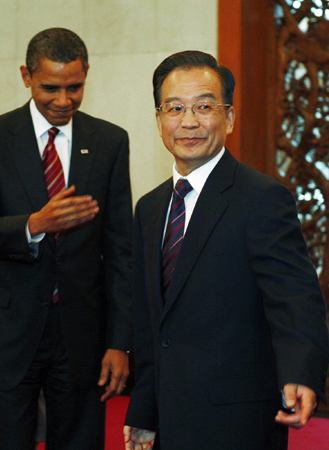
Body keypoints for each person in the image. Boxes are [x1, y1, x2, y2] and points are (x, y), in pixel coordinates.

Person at [123, 51, 329, 450]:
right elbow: (151, 325)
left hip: (238, 420)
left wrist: (301, 373)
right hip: (168, 416)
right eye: (174, 108)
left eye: (204, 106)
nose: (188, 122)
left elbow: (295, 299)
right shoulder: (149, 208)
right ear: (158, 119)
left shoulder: (263, 198)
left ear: (229, 117)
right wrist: (143, 412)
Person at [0, 27, 133, 450]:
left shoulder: (109, 141)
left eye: (75, 87)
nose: (63, 100)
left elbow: (122, 251)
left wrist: (120, 343)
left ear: (87, 74)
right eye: (50, 87)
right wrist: (35, 223)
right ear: (26, 76)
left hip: (82, 336)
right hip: (9, 333)